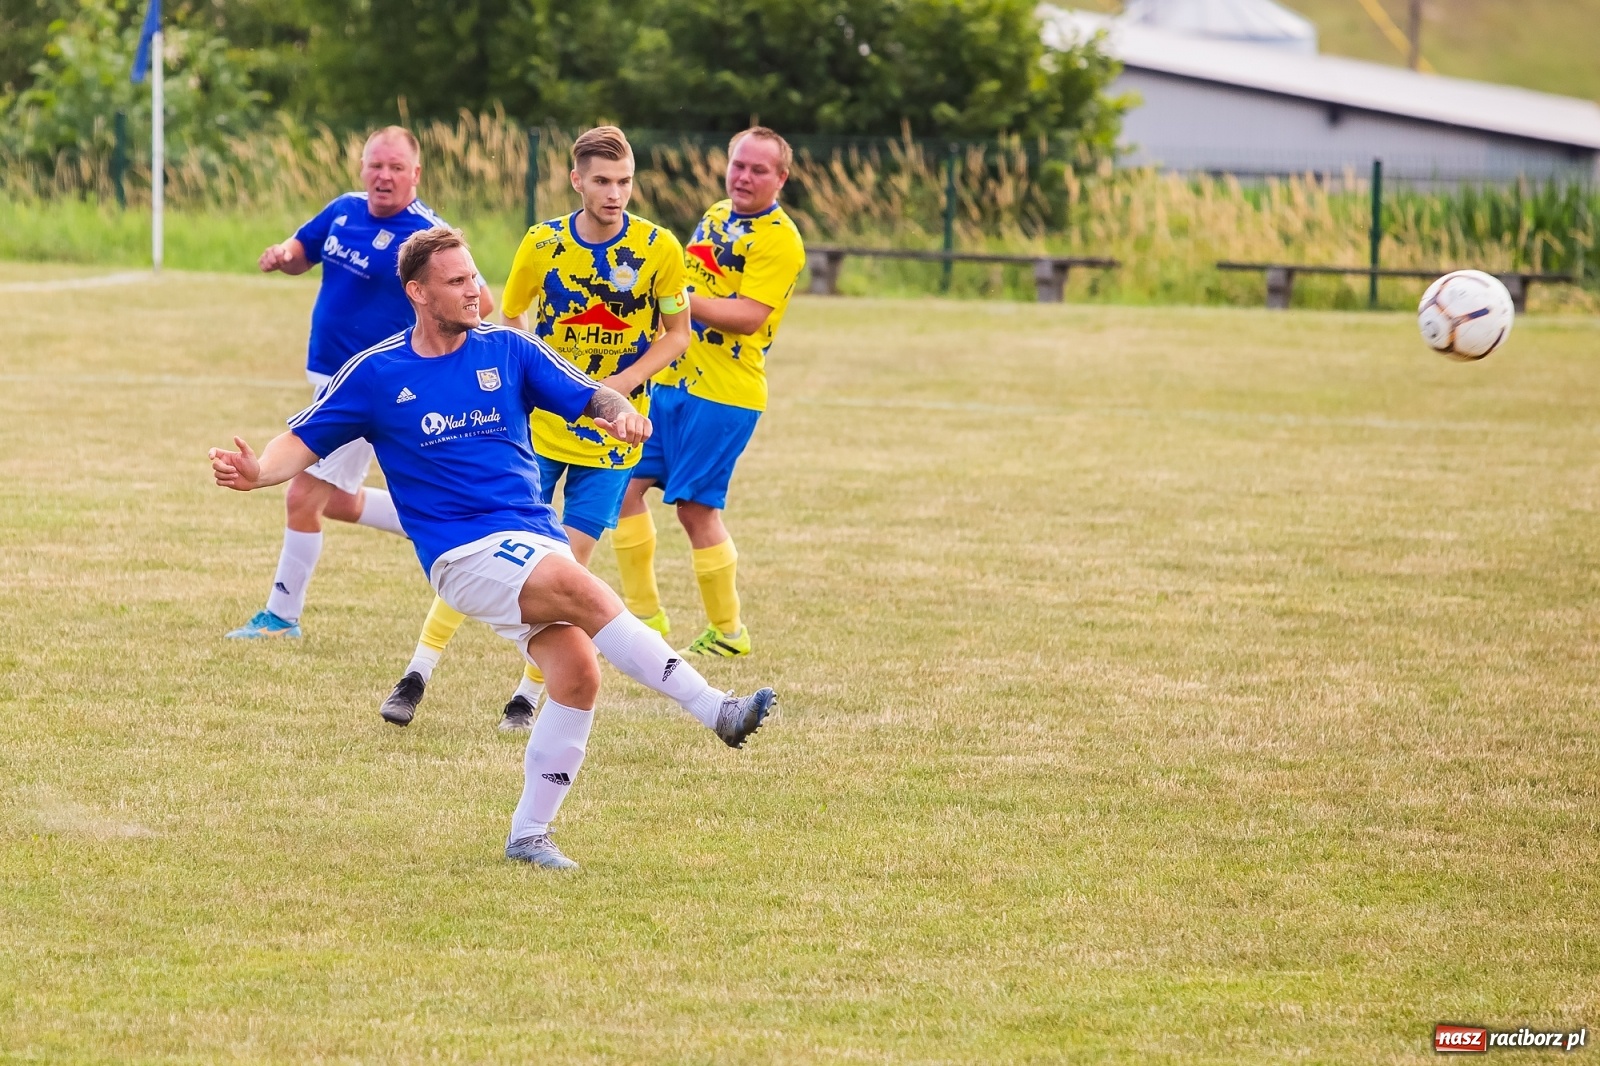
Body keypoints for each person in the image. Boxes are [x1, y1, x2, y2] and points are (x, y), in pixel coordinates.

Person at [209, 227, 775, 871]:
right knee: (582, 588)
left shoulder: (508, 348)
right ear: (418, 293)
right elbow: (301, 441)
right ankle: (717, 710)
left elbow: (590, 393)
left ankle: (529, 834)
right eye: (456, 282)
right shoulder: (376, 372)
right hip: (462, 553)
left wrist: (617, 412)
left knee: (577, 674)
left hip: (529, 533)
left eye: (474, 277)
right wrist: (258, 472)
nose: (475, 291)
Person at [379, 126, 690, 731]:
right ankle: (417, 673)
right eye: (602, 181)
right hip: (536, 432)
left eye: (624, 182)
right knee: (481, 547)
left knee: (568, 571)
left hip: (609, 438)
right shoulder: (543, 242)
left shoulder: (659, 247)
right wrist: (530, 377)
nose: (615, 193)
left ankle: (525, 698)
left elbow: (677, 334)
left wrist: (620, 387)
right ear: (577, 181)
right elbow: (507, 313)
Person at [225, 125, 495, 639]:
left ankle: (281, 617)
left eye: (396, 167)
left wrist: (427, 346)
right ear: (362, 167)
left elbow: (480, 302)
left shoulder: (427, 235)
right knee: (337, 500)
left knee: (302, 495)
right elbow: (302, 250)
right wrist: (283, 256)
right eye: (376, 165)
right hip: (331, 378)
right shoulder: (344, 209)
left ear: (416, 174)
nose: (384, 176)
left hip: (372, 387)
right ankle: (444, 519)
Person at [615, 127, 806, 659]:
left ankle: (729, 632)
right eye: (738, 165)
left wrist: (674, 296)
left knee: (696, 511)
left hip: (725, 394)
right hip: (671, 381)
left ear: (781, 178)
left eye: (758, 170)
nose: (744, 177)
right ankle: (645, 619)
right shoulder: (717, 214)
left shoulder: (780, 239)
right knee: (623, 488)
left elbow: (748, 316)